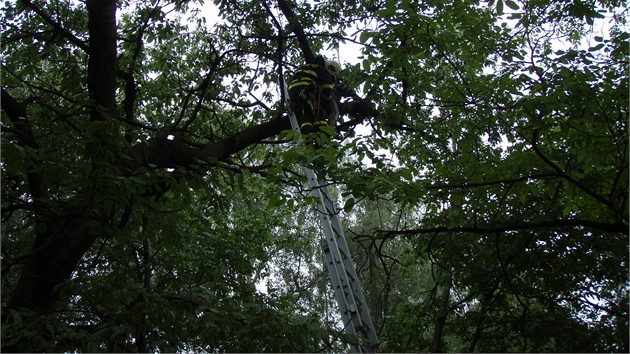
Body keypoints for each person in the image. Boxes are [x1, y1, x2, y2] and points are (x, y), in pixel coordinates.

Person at [288, 55, 355, 137]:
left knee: (304, 114)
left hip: (293, 92)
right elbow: (327, 86)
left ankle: (307, 134)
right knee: (318, 114)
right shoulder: (322, 70)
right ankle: (322, 134)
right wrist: (326, 99)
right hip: (307, 90)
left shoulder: (304, 68)